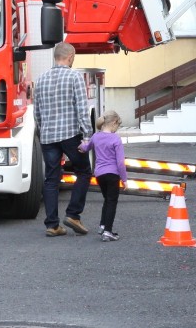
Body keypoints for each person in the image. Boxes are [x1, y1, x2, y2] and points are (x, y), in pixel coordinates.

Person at [33, 42, 93, 237]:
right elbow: (82, 110)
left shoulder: (41, 79)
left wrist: (43, 133)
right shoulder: (75, 76)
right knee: (83, 171)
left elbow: (37, 113)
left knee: (51, 179)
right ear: (70, 57)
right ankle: (73, 214)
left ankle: (52, 225)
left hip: (49, 136)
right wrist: (87, 136)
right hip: (70, 135)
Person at [79, 110, 126, 242]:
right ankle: (108, 231)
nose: (117, 129)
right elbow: (120, 162)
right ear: (114, 123)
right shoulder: (115, 138)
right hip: (112, 174)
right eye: (118, 126)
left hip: (99, 174)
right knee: (112, 201)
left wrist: (80, 146)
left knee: (107, 199)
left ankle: (103, 225)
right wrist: (124, 179)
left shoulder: (96, 136)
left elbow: (86, 147)